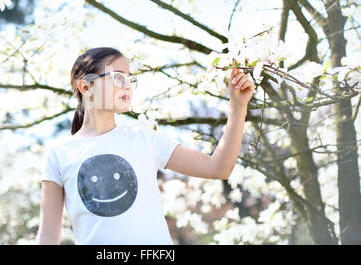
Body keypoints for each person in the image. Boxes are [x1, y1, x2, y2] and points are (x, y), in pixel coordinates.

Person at [37, 47, 255, 245]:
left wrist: (237, 107)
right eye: (117, 77)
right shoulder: (59, 153)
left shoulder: (145, 139)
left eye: (130, 80)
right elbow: (48, 236)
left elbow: (218, 168)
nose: (127, 86)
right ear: (85, 86)